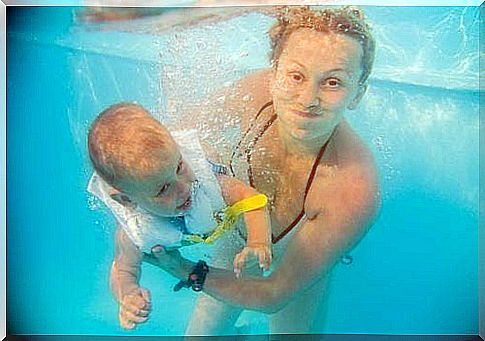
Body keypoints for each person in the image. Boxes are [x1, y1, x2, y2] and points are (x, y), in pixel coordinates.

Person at [143, 5, 381, 335]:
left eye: (333, 82)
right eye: (296, 76)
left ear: (358, 93)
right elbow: (173, 140)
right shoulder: (253, 93)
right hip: (240, 238)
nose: (308, 99)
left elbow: (273, 295)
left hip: (299, 259)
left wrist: (185, 270)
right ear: (273, 74)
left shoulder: (354, 188)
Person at [87, 103, 272, 330]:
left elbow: (253, 201)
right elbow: (122, 269)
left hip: (213, 168)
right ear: (127, 200)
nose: (184, 188)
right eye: (163, 189)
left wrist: (258, 242)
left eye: (180, 167)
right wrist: (127, 296)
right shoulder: (134, 231)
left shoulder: (208, 182)